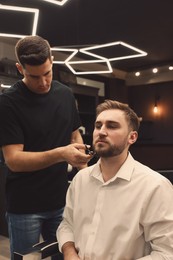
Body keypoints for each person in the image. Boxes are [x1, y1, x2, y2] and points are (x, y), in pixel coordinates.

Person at [0, 35, 92, 259]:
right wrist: (62, 154)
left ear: (52, 61)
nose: (43, 82)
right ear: (20, 68)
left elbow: (74, 137)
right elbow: (14, 160)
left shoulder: (65, 95)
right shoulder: (8, 103)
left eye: (47, 73)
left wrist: (84, 168)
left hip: (62, 201)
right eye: (34, 76)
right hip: (25, 205)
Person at [57, 99, 173, 260]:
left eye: (112, 126)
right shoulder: (81, 179)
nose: (101, 132)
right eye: (98, 126)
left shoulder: (155, 187)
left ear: (132, 137)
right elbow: (67, 225)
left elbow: (166, 253)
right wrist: (69, 252)